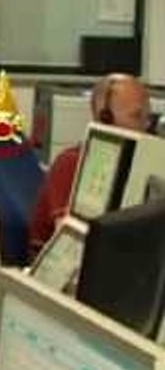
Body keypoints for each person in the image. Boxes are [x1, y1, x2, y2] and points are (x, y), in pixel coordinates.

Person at [26, 73, 151, 259]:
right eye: (137, 116)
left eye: (148, 117)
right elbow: (73, 247)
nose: (146, 125)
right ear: (105, 119)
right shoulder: (70, 164)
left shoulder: (138, 166)